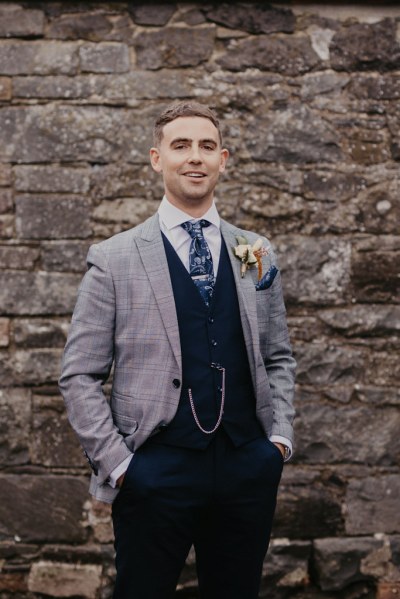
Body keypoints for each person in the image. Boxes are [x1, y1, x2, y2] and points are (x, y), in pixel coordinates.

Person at [59, 101, 296, 599]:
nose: (195, 157)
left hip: (245, 464)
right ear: (156, 158)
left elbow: (277, 356)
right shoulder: (114, 258)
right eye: (181, 145)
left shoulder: (257, 251)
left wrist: (277, 442)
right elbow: (79, 374)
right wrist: (120, 465)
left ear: (223, 159)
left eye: (207, 147)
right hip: (153, 468)